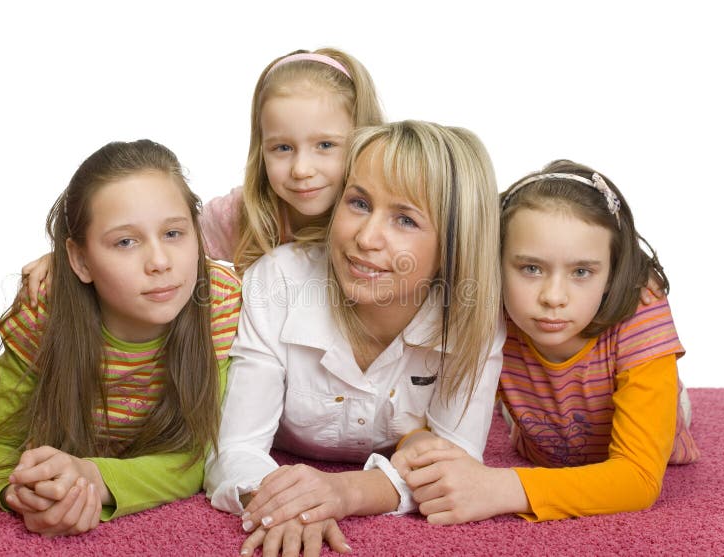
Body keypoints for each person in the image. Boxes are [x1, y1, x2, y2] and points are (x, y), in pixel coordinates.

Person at [205, 120, 505, 556]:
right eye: (359, 203)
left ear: (454, 244)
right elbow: (235, 445)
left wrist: (344, 493)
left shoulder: (473, 314)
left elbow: (455, 462)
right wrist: (285, 502)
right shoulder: (279, 281)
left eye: (405, 219)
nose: (365, 238)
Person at [0, 140, 242, 536]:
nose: (160, 262)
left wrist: (91, 477)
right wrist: (21, 493)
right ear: (78, 259)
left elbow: (200, 458)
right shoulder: (44, 312)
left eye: (174, 233)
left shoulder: (219, 303)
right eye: (126, 242)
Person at [395, 160, 699, 524]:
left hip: (631, 380)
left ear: (612, 273)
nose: (553, 297)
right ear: (497, 261)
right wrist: (416, 442)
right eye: (531, 269)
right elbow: (422, 415)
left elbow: (638, 478)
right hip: (540, 425)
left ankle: (671, 394)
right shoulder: (490, 310)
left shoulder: (641, 312)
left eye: (582, 272)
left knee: (668, 406)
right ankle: (510, 406)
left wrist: (499, 488)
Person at [19, 47, 384, 302]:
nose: (302, 170)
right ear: (262, 148)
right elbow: (159, 231)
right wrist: (68, 259)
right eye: (282, 148)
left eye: (325, 146)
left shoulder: (378, 220)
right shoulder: (247, 212)